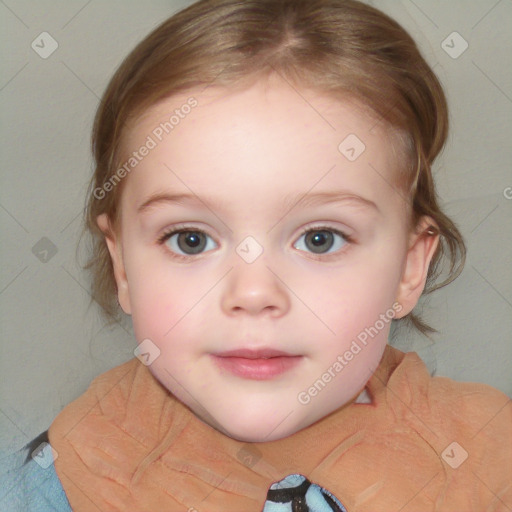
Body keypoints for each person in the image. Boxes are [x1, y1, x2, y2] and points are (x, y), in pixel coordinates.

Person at [2, 0, 510, 510]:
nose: (252, 293)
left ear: (408, 268)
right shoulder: (64, 477)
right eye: (190, 240)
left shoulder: (487, 460)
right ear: (123, 267)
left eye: (320, 239)